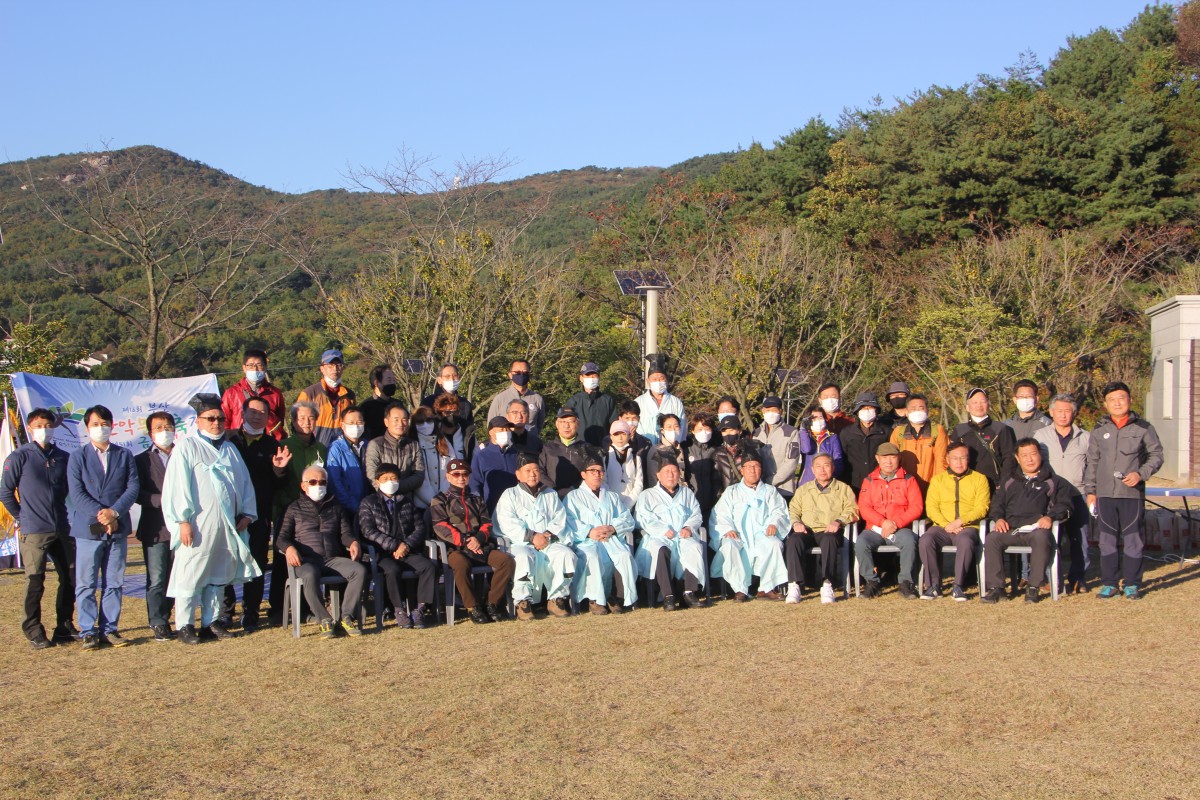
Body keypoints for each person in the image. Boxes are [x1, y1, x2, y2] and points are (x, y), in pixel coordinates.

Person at [162, 395, 260, 644]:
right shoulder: (187, 447)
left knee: (219, 575)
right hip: (197, 525)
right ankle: (185, 625)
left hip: (227, 525)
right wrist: (182, 521)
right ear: (198, 420)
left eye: (220, 419)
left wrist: (247, 514)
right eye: (210, 418)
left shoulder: (230, 449)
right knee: (189, 573)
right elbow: (177, 486)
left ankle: (211, 622)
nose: (216, 423)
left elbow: (245, 483)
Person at [0, 408, 75, 649]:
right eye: (39, 426)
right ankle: (33, 629)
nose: (44, 430)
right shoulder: (19, 456)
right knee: (35, 580)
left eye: (48, 425)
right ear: (30, 429)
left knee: (71, 577)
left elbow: (72, 489)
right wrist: (21, 517)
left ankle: (64, 626)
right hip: (34, 530)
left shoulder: (63, 457)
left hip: (61, 527)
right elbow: (5, 492)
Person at [1083, 381, 1164, 600]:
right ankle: (1109, 583)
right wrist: (1091, 491)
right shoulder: (1099, 430)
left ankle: (1132, 584)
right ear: (1105, 403)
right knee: (1106, 540)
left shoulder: (1144, 428)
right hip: (1105, 494)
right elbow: (1092, 462)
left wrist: (1140, 474)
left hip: (1131, 494)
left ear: (1130, 399)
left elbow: (1156, 455)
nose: (1117, 403)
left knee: (1133, 539)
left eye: (1121, 398)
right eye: (1112, 399)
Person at [69, 405, 140, 649]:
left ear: (112, 425)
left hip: (118, 527)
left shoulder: (124, 455)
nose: (101, 428)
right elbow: (77, 493)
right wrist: (103, 515)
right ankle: (88, 630)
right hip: (88, 528)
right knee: (86, 583)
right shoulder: (77, 457)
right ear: (87, 427)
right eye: (95, 424)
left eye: (105, 423)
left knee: (114, 581)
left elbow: (132, 487)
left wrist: (114, 513)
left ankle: (109, 629)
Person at [276, 465, 368, 637]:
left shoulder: (336, 506)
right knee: (310, 574)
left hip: (331, 559)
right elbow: (281, 538)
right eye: (313, 482)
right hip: (305, 560)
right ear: (304, 486)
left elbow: (345, 533)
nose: (318, 485)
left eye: (322, 482)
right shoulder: (293, 508)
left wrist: (353, 542)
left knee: (359, 570)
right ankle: (324, 619)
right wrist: (289, 548)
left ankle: (346, 617)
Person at [227, 396, 290, 632]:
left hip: (259, 515)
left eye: (263, 413)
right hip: (229, 514)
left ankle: (251, 612)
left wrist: (279, 469)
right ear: (242, 413)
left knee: (256, 564)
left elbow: (278, 484)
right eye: (253, 412)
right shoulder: (228, 441)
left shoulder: (274, 446)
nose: (257, 416)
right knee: (227, 562)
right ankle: (226, 612)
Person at [981, 439, 1072, 604]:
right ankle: (997, 588)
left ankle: (1033, 586)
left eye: (1033, 454)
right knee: (992, 538)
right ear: (1017, 458)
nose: (1029, 459)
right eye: (1024, 455)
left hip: (1037, 530)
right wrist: (998, 518)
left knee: (1041, 537)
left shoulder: (1054, 481)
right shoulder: (1009, 480)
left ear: (1040, 455)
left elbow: (1065, 505)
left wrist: (1050, 517)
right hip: (1011, 529)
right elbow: (997, 504)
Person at [493, 452, 577, 621]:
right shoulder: (510, 495)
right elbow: (507, 522)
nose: (532, 474)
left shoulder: (550, 494)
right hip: (520, 543)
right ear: (518, 474)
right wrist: (532, 537)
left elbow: (559, 518)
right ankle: (522, 602)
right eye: (527, 470)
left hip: (547, 541)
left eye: (536, 470)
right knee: (524, 557)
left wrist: (546, 536)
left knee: (566, 555)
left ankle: (556, 599)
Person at [430, 458, 515, 625]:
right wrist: (465, 541)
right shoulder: (440, 499)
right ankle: (473, 606)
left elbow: (487, 523)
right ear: (448, 477)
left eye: (465, 474)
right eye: (456, 474)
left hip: (480, 545)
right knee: (461, 564)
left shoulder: (476, 499)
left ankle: (492, 603)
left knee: (506, 561)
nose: (461, 478)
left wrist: (478, 539)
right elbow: (440, 526)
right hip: (455, 548)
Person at [357, 462, 437, 629]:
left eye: (393, 478)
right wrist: (394, 546)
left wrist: (406, 545)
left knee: (428, 566)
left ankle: (420, 609)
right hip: (381, 553)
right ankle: (399, 610)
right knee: (392, 570)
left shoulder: (406, 501)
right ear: (377, 481)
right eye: (385, 478)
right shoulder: (368, 502)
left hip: (406, 550)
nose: (390, 482)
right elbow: (368, 531)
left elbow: (419, 527)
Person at [268, 401, 327, 626]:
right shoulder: (284, 446)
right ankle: (277, 609)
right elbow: (276, 481)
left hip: (314, 514)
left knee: (308, 559)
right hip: (287, 510)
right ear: (293, 422)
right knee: (283, 562)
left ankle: (306, 608)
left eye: (311, 418)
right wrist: (279, 469)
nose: (306, 422)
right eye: (301, 418)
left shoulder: (321, 449)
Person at [708, 444, 790, 602]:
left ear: (761, 470)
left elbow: (779, 511)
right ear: (742, 470)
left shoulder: (770, 491)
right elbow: (720, 515)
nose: (752, 470)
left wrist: (774, 523)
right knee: (729, 545)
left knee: (774, 544)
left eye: (756, 466)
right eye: (748, 467)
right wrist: (727, 529)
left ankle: (766, 588)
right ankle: (740, 589)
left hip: (762, 534)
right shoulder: (731, 491)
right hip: (738, 535)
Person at [564, 452, 638, 614]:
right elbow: (569, 521)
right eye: (592, 471)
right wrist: (589, 532)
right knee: (593, 556)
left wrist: (612, 528)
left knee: (623, 555)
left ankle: (617, 597)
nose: (597, 474)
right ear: (583, 474)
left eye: (600, 471)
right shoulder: (573, 497)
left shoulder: (612, 496)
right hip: (586, 541)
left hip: (610, 539)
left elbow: (626, 518)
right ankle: (595, 599)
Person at [1033, 394, 1092, 594]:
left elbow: (1093, 466)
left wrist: (1092, 491)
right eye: (1059, 411)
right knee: (1051, 539)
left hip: (1078, 493)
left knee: (1080, 540)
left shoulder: (1085, 437)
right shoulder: (1040, 436)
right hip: (1051, 496)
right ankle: (1052, 579)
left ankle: (1078, 579)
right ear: (1051, 412)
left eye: (1067, 411)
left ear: (1074, 413)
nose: (1063, 415)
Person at [634, 456, 709, 611]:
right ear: (658, 475)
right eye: (666, 471)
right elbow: (642, 518)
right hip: (658, 537)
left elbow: (696, 514)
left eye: (674, 471)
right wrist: (661, 530)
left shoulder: (687, 493)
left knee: (693, 547)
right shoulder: (647, 495)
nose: (671, 475)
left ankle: (689, 592)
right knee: (660, 550)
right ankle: (668, 596)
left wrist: (688, 527)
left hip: (682, 536)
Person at [918, 441, 990, 601]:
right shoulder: (938, 480)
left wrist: (960, 522)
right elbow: (931, 508)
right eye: (955, 458)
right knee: (925, 540)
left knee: (965, 541)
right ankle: (933, 585)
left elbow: (982, 508)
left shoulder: (980, 479)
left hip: (967, 527)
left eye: (963, 458)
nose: (959, 462)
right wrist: (947, 525)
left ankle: (958, 585)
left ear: (968, 459)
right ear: (947, 460)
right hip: (942, 527)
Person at [786, 453, 857, 605]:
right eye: (818, 466)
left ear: (833, 468)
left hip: (829, 531)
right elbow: (793, 509)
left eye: (826, 466)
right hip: (807, 530)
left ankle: (827, 583)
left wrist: (838, 521)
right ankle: (795, 584)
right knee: (793, 540)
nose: (822, 470)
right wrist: (796, 522)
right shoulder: (803, 489)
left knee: (829, 540)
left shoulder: (843, 489)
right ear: (812, 469)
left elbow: (853, 510)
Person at [855, 442, 923, 599]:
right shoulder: (869, 480)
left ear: (899, 458)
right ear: (877, 458)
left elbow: (916, 507)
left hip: (901, 528)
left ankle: (905, 582)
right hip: (875, 529)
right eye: (884, 457)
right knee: (861, 543)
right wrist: (882, 522)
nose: (889, 461)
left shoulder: (909, 480)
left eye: (892, 457)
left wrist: (896, 523)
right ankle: (872, 582)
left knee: (909, 542)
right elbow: (864, 508)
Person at [134, 411, 177, 642]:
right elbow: (136, 493)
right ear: (150, 433)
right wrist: (162, 500)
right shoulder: (141, 460)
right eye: (159, 428)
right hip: (155, 527)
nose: (164, 431)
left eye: (168, 426)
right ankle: (158, 621)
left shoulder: (184, 454)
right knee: (157, 577)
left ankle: (169, 615)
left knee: (176, 577)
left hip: (182, 527)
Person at [951, 388, 1017, 489]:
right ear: (967, 407)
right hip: (967, 486)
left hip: (995, 486)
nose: (979, 405)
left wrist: (1004, 483)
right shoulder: (959, 430)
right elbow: (952, 458)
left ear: (988, 404)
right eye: (975, 402)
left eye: (983, 401)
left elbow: (1010, 458)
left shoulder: (1001, 429)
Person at [295, 349, 356, 448]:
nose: (335, 369)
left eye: (338, 365)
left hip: (342, 450)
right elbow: (297, 424)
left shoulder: (349, 395)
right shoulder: (309, 394)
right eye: (330, 365)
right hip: (315, 449)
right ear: (322, 369)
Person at [221, 348, 287, 440]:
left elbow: (280, 421)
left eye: (259, 365)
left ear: (265, 367)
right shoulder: (231, 393)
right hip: (239, 442)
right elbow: (224, 422)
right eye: (250, 365)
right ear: (244, 368)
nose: (255, 369)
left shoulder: (275, 393)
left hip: (266, 443)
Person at [888, 393, 947, 492]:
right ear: (906, 412)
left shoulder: (937, 431)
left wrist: (939, 486)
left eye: (921, 408)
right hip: (905, 488)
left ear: (927, 411)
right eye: (913, 409)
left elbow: (942, 461)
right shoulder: (898, 432)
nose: (917, 411)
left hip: (931, 487)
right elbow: (893, 461)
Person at [363, 402, 424, 496]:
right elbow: (371, 474)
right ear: (386, 422)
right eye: (396, 420)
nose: (400, 423)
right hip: (381, 498)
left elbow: (419, 475)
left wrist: (396, 487)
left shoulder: (414, 445)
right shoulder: (375, 444)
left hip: (405, 499)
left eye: (404, 419)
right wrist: (387, 489)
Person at [752, 396, 802, 500]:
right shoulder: (756, 433)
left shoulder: (791, 432)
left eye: (774, 410)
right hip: (759, 489)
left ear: (781, 411)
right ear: (763, 411)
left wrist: (771, 481)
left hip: (783, 490)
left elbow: (791, 462)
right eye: (767, 410)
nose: (770, 413)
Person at [470, 417, 521, 514]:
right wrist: (479, 508)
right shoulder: (481, 456)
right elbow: (475, 484)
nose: (505, 432)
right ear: (491, 432)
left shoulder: (517, 453)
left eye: (507, 429)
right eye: (501, 429)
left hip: (516, 508)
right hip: (492, 509)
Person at [840, 391, 890, 491]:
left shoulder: (886, 431)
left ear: (876, 410)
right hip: (854, 483)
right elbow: (843, 459)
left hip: (880, 482)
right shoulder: (847, 433)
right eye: (863, 408)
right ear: (857, 411)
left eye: (870, 407)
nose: (867, 411)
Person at [538, 407, 590, 498]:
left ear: (578, 424)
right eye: (563, 422)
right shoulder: (546, 448)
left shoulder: (586, 448)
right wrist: (553, 489)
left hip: (579, 497)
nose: (567, 426)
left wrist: (573, 489)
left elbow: (590, 473)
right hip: (551, 496)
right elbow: (539, 471)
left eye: (571, 421)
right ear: (557, 424)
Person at [326, 406, 369, 515]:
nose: (356, 426)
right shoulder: (335, 448)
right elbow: (335, 482)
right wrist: (354, 506)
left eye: (359, 422)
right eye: (351, 423)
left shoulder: (367, 445)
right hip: (345, 509)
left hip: (367, 507)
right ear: (342, 425)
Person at [634, 354, 685, 445]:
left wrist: (675, 446)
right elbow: (636, 428)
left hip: (671, 448)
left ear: (667, 380)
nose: (658, 382)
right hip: (645, 448)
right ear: (648, 381)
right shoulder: (638, 402)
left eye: (661, 378)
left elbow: (682, 426)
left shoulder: (676, 402)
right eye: (654, 379)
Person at [566, 361, 618, 447]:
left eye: (594, 375)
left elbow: (615, 426)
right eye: (588, 375)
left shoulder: (608, 400)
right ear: (581, 378)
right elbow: (568, 426)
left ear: (599, 377)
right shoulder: (574, 401)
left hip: (603, 448)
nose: (591, 378)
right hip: (579, 449)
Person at [487, 359, 546, 433]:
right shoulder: (500, 399)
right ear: (510, 374)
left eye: (525, 372)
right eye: (517, 372)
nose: (521, 375)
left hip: (529, 439)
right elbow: (491, 427)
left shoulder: (537, 399)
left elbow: (539, 425)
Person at [683, 413, 720, 522]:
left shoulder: (717, 449)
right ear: (693, 431)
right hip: (691, 501)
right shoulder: (686, 449)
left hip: (712, 502)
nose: (703, 432)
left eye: (707, 428)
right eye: (699, 429)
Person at [797, 406, 846, 487]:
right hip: (807, 482)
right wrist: (803, 429)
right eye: (814, 418)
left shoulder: (832, 437)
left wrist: (828, 476)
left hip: (828, 483)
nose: (818, 420)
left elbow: (838, 461)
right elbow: (806, 449)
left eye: (820, 417)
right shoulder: (804, 435)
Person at [602, 420, 643, 510]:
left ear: (629, 435)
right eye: (616, 434)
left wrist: (627, 505)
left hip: (631, 507)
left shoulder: (636, 458)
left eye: (623, 434)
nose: (620, 438)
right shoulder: (605, 458)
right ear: (611, 437)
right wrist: (615, 503)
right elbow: (603, 482)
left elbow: (639, 484)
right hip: (611, 506)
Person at [421, 363, 475, 429]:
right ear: (439, 380)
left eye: (455, 376)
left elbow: (469, 429)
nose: (452, 379)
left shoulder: (465, 404)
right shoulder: (428, 402)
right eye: (447, 376)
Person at [432, 393, 474, 463]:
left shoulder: (468, 433)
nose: (452, 415)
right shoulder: (433, 436)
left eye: (455, 412)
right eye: (447, 412)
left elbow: (475, 459)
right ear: (439, 414)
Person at [359, 365, 397, 441]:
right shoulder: (365, 407)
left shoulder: (397, 405)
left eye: (394, 380)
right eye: (389, 380)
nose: (393, 383)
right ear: (376, 383)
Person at [713, 416, 749, 490]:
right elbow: (715, 480)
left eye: (731, 430)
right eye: (724, 431)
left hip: (746, 494)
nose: (728, 434)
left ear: (740, 430)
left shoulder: (748, 450)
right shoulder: (717, 453)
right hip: (726, 495)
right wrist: (720, 494)